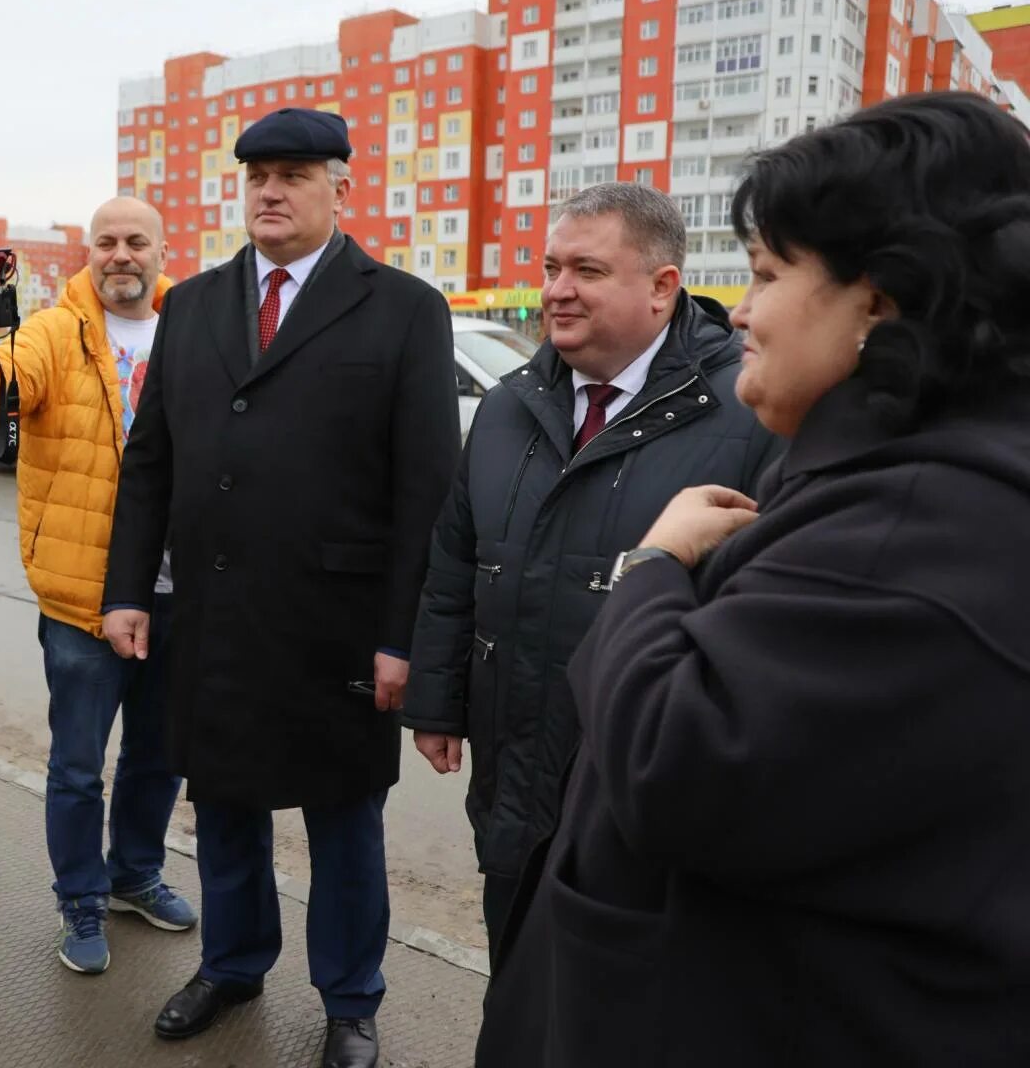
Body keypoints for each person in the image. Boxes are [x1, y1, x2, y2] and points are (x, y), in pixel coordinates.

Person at [478, 91, 1030, 1066]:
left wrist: (650, 566)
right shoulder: (883, 474)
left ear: (881, 299)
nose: (743, 310)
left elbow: (671, 751)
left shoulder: (915, 531)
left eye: (769, 273)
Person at [102, 107, 460, 1068]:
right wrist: (127, 590)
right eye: (257, 173)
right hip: (212, 617)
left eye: (295, 173)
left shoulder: (402, 307)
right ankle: (233, 963)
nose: (270, 189)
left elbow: (425, 490)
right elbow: (150, 464)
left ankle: (349, 1001)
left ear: (343, 187)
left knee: (344, 821)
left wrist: (404, 638)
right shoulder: (195, 304)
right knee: (222, 804)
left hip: (335, 627)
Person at [403, 182, 781, 955]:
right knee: (512, 971)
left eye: (587, 271)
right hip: (511, 769)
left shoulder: (747, 413)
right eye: (549, 268)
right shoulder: (509, 406)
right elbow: (455, 562)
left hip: (643, 779)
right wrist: (437, 702)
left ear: (662, 286)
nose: (557, 291)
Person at [0, 197, 196, 974]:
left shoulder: (192, 327)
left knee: (160, 755)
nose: (122, 255)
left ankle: (134, 876)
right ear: (90, 252)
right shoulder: (54, 329)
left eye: (136, 242)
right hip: (82, 594)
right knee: (79, 765)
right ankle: (81, 899)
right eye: (107, 242)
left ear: (160, 249)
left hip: (181, 594)